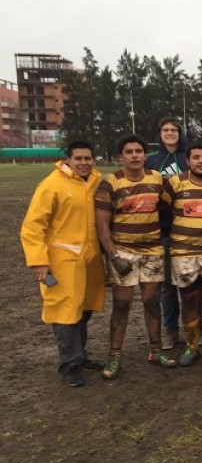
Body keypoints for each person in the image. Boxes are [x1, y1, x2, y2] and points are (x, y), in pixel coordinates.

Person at [20, 141, 106, 387]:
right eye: (78, 158)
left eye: (88, 158)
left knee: (83, 310)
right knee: (64, 312)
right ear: (67, 160)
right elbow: (32, 226)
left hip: (90, 261)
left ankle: (80, 355)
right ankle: (69, 364)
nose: (83, 163)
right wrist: (39, 262)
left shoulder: (96, 182)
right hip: (61, 263)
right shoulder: (52, 185)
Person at [95, 135, 176, 378]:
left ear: (144, 154)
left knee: (152, 302)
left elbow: (167, 204)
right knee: (121, 305)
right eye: (129, 152)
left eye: (139, 151)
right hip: (123, 252)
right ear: (121, 156)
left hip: (152, 250)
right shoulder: (109, 183)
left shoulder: (157, 179)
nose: (134, 156)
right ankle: (114, 356)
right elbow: (101, 224)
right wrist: (113, 257)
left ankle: (155, 351)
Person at [161, 143, 202, 366]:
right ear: (188, 161)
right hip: (183, 251)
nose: (201, 161)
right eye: (196, 157)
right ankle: (192, 346)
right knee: (189, 299)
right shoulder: (175, 182)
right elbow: (163, 208)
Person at [145, 117, 189, 350]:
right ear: (160, 133)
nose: (170, 133)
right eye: (166, 129)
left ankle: (195, 329)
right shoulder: (151, 161)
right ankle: (170, 330)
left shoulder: (189, 159)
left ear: (180, 134)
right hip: (162, 231)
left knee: (190, 284)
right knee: (167, 287)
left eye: (174, 130)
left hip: (189, 230)